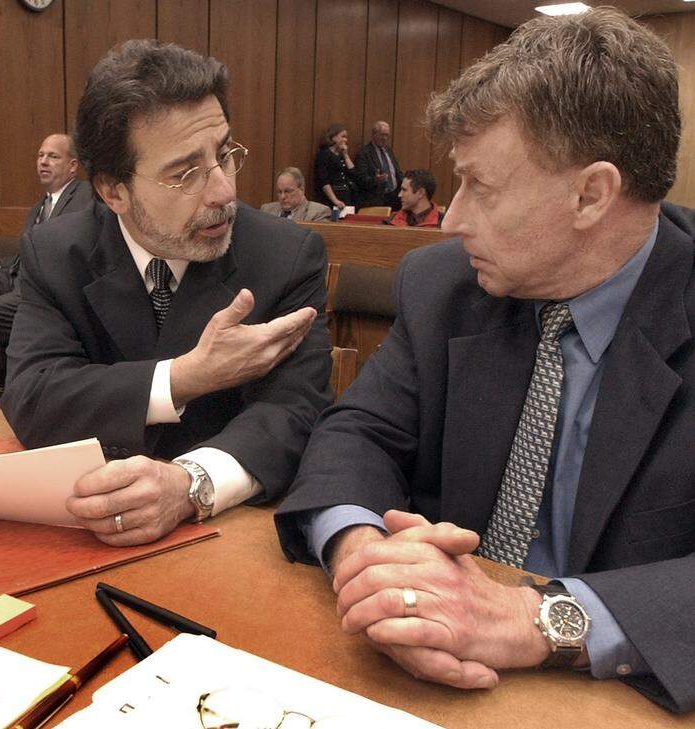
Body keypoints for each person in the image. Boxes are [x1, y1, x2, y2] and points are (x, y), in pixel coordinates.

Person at [275, 8, 694, 713]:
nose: (453, 218)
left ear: (592, 193)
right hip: (424, 687)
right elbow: (356, 435)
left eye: (483, 188)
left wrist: (538, 620)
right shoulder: (447, 287)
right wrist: (365, 558)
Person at [2, 40, 333, 547]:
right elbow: (34, 397)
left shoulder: (286, 255)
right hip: (87, 527)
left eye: (224, 155)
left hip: (233, 537)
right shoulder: (56, 252)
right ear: (114, 192)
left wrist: (189, 484)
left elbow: (294, 412)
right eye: (185, 174)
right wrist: (182, 379)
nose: (224, 191)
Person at [0, 133, 95, 397]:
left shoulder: (83, 197)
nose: (43, 162)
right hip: (18, 278)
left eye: (53, 157)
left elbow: (72, 253)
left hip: (44, 290)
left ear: (73, 166)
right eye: (41, 156)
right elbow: (24, 255)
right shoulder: (40, 206)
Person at [313, 123, 362, 211]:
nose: (345, 140)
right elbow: (324, 181)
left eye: (346, 137)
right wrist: (335, 200)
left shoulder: (341, 155)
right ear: (334, 137)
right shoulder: (324, 154)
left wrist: (346, 155)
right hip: (333, 197)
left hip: (347, 195)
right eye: (343, 136)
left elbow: (353, 173)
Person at [355, 121, 403, 210]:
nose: (384, 138)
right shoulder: (364, 153)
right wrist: (375, 180)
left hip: (394, 198)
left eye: (387, 135)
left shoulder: (388, 150)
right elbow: (360, 179)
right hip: (376, 199)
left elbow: (396, 172)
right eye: (382, 135)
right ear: (373, 134)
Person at [259, 168, 331, 222]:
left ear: (302, 190)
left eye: (288, 191)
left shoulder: (317, 212)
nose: (282, 197)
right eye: (279, 192)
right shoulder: (266, 210)